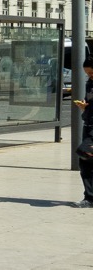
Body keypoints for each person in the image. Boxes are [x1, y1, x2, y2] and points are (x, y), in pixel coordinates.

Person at [73, 58, 93, 207]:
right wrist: (84, 106)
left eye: (91, 72)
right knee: (85, 161)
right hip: (89, 124)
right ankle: (89, 198)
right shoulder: (90, 83)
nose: (90, 75)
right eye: (87, 73)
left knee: (83, 152)